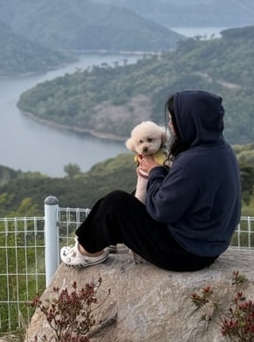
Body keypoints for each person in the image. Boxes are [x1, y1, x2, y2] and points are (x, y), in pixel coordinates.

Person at [60, 89, 241, 270]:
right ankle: (109, 238)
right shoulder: (221, 149)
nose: (169, 124)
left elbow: (161, 210)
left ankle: (86, 252)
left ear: (189, 121)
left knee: (116, 204)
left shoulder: (191, 162)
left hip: (184, 253)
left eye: (173, 119)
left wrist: (155, 171)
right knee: (135, 197)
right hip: (206, 245)